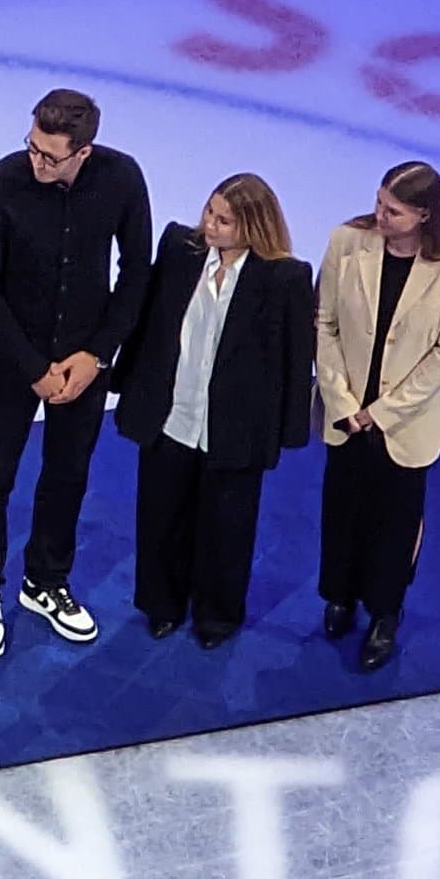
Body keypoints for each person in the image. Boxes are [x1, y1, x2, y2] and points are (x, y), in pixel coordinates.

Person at [0, 89, 152, 658]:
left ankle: (46, 579)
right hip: (15, 356)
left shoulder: (121, 178)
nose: (37, 162)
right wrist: (33, 367)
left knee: (67, 473)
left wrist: (96, 355)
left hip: (85, 362)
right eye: (33, 148)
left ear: (83, 152)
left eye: (50, 155)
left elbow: (136, 272)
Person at [110, 175, 313, 648]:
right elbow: (150, 323)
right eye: (209, 213)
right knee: (160, 516)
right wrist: (126, 385)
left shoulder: (284, 278)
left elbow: (294, 358)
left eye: (224, 220)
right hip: (172, 414)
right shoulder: (180, 250)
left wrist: (287, 430)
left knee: (227, 529)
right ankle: (161, 604)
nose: (210, 226)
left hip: (236, 428)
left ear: (253, 227)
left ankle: (217, 617)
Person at [315, 160, 440, 671]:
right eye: (380, 203)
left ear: (424, 216)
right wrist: (343, 402)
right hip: (347, 414)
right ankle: (339, 595)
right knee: (342, 510)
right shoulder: (348, 242)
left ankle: (385, 613)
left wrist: (381, 412)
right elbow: (325, 322)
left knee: (395, 521)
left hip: (404, 424)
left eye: (394, 211)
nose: (380, 216)